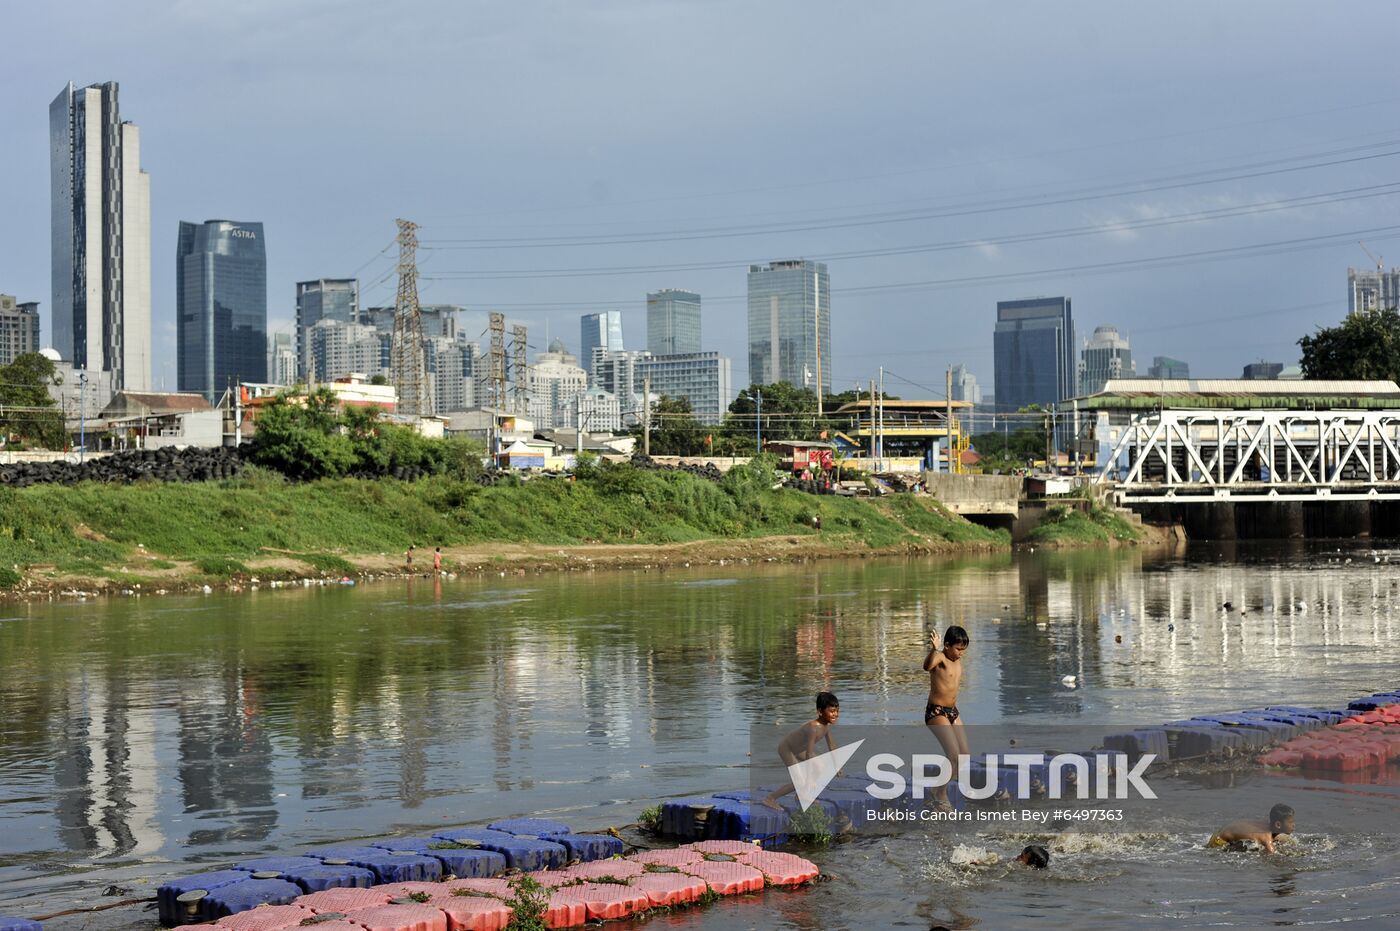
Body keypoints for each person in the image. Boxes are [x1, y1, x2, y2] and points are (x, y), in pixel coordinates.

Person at [759, 692, 841, 810]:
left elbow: (832, 745)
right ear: (820, 712)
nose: (835, 714)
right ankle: (770, 799)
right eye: (832, 711)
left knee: (821, 766)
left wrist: (836, 764)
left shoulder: (826, 726)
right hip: (787, 748)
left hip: (798, 749)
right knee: (800, 782)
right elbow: (809, 753)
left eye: (837, 711)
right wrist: (808, 779)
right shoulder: (814, 727)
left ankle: (801, 795)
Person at [923, 626, 971, 809]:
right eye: (958, 649)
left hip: (953, 712)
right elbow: (926, 666)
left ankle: (937, 789)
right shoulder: (940, 657)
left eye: (963, 650)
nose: (960, 654)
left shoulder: (957, 661)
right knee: (953, 755)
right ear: (947, 645)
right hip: (937, 712)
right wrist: (934, 649)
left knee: (964, 755)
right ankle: (939, 792)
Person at [1206, 803, 1295, 853]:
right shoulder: (1266, 838)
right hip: (1218, 841)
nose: (1294, 825)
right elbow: (1272, 857)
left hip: (1222, 831)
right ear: (1278, 825)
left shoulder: (1268, 826)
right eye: (1291, 822)